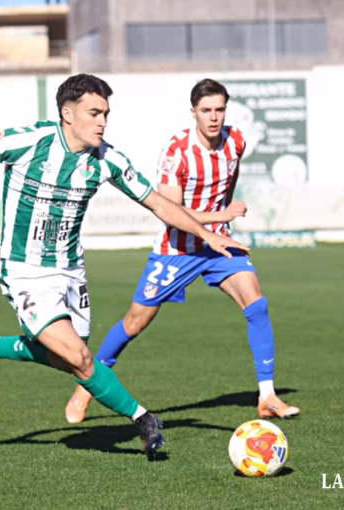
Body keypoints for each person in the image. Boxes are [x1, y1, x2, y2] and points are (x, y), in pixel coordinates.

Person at [0, 74, 248, 460]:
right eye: (94, 113)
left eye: (106, 113)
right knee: (81, 359)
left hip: (71, 271)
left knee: (68, 358)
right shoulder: (29, 141)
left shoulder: (108, 159)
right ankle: (144, 418)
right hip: (25, 269)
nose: (103, 121)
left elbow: (158, 203)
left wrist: (209, 234)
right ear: (68, 114)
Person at [64, 79, 301, 424]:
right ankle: (85, 388)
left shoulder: (236, 141)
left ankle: (267, 396)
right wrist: (222, 214)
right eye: (206, 110)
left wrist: (221, 220)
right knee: (135, 322)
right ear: (193, 112)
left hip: (218, 243)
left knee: (257, 302)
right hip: (176, 248)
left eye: (220, 109)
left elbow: (227, 185)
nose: (214, 117)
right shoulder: (177, 152)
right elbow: (170, 209)